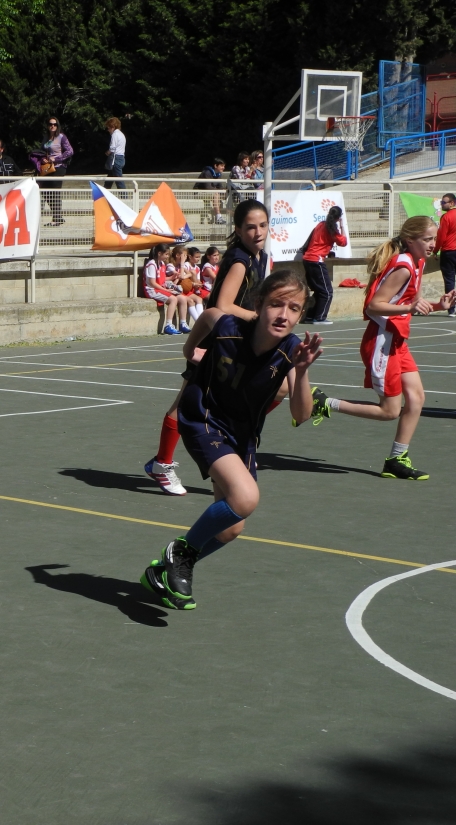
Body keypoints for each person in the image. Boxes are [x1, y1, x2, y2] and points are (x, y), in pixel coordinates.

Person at [140, 270, 323, 610]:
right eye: (276, 304)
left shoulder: (292, 350)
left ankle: (166, 570)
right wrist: (190, 349)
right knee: (246, 496)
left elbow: (301, 415)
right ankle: (179, 552)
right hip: (203, 418)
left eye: (294, 308)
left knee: (230, 529)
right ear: (259, 304)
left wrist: (302, 371)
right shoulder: (229, 327)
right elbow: (208, 315)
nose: (283, 315)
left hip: (240, 435)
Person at [305, 217, 456, 480]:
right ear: (410, 240)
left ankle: (397, 459)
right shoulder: (403, 266)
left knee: (417, 399)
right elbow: (374, 306)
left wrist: (437, 306)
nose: (433, 244)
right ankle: (324, 402)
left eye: (434, 238)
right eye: (427, 239)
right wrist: (409, 308)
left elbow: (413, 303)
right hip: (381, 342)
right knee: (390, 411)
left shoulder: (418, 262)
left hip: (396, 341)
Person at [144, 199, 272, 496]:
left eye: (263, 225)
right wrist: (259, 318)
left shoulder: (259, 256)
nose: (257, 232)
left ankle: (233, 451)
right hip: (215, 340)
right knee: (186, 403)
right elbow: (224, 305)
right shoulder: (240, 261)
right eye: (250, 227)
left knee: (266, 391)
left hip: (235, 339)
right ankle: (162, 464)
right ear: (238, 230)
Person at [300, 206, 347, 325]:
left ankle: (310, 316)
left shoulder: (320, 224)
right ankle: (320, 317)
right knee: (327, 291)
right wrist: (342, 226)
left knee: (318, 290)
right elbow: (343, 242)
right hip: (316, 260)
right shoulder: (331, 229)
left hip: (307, 259)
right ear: (338, 217)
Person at [33, 117, 72, 224]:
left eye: (55, 124)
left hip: (59, 167)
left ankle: (56, 218)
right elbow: (41, 151)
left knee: (55, 191)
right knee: (44, 190)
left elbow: (70, 151)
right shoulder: (46, 137)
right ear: (47, 125)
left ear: (58, 126)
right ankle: (57, 216)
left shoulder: (61, 137)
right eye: (50, 124)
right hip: (47, 167)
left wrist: (57, 158)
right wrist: (43, 158)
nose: (52, 126)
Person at [142, 243, 184, 335]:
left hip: (160, 288)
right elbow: (152, 283)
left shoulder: (162, 264)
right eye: (166, 254)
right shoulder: (151, 264)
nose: (168, 256)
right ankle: (168, 325)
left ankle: (183, 324)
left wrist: (172, 277)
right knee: (173, 299)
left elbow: (162, 278)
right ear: (159, 253)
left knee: (182, 298)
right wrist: (166, 290)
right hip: (151, 290)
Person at [436, 193, 456, 316]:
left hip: (449, 251)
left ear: (452, 203)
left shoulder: (446, 217)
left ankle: (451, 308)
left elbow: (441, 237)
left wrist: (435, 250)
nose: (442, 205)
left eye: (444, 202)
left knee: (449, 280)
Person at [195, 158, 228, 224]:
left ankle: (217, 218)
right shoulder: (207, 173)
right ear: (215, 166)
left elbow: (220, 187)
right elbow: (208, 187)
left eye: (224, 166)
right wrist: (219, 191)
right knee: (216, 194)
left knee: (222, 194)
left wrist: (224, 191)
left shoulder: (219, 174)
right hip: (199, 192)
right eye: (221, 166)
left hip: (210, 193)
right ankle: (218, 217)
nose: (223, 168)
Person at [104, 116, 126, 189]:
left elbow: (112, 148)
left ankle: (125, 196)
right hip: (121, 158)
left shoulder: (115, 134)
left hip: (115, 159)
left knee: (119, 181)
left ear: (112, 127)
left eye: (108, 128)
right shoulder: (121, 134)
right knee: (108, 181)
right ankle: (104, 194)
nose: (108, 130)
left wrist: (107, 152)